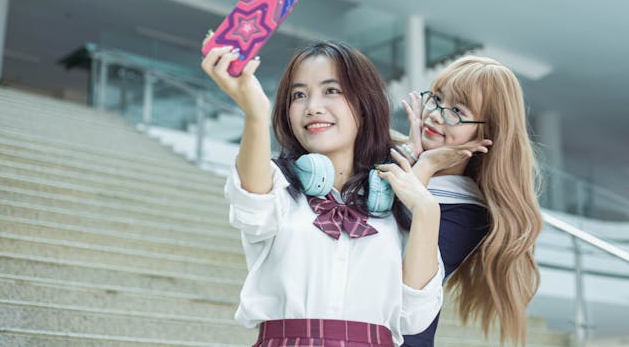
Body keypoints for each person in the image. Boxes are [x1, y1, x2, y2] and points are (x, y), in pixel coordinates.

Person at [201, 39, 452, 346]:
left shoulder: (397, 198)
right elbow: (251, 207)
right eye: (299, 95)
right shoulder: (277, 184)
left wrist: (427, 210)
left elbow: (414, 316)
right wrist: (256, 113)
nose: (313, 107)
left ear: (363, 104)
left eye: (331, 90)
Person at [398, 55, 543, 347]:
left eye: (457, 110)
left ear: (485, 134)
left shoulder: (469, 214)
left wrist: (423, 166)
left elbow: (401, 266)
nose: (437, 114)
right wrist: (415, 157)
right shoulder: (407, 164)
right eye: (436, 98)